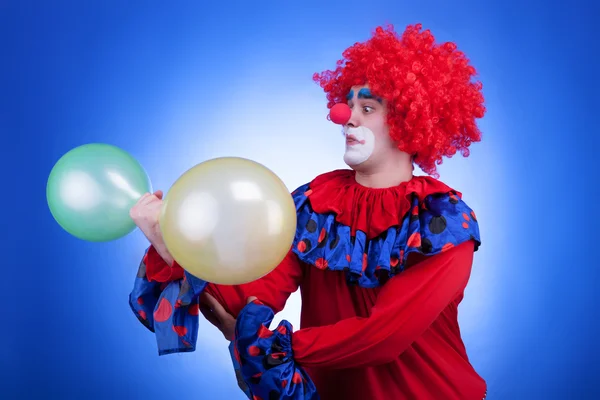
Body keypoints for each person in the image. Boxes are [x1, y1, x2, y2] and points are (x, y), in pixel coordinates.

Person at [129, 23, 487, 400]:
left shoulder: (442, 220)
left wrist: (275, 350)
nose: (346, 118)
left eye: (367, 108)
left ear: (408, 121)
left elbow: (384, 336)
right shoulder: (317, 202)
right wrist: (172, 241)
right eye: (348, 105)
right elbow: (244, 297)